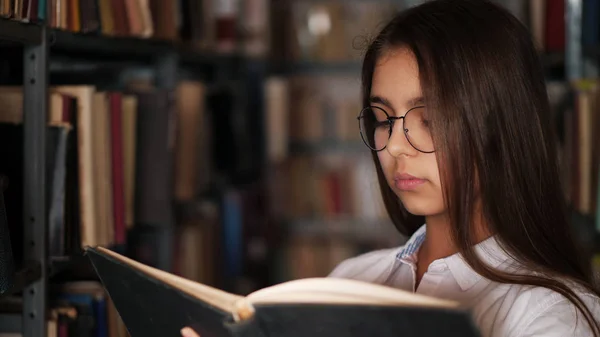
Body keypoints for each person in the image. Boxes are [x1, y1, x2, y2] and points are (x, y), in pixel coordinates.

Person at [181, 0, 600, 336]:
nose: (394, 146)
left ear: (501, 127)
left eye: (431, 120)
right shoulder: (351, 279)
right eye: (383, 118)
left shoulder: (552, 317)